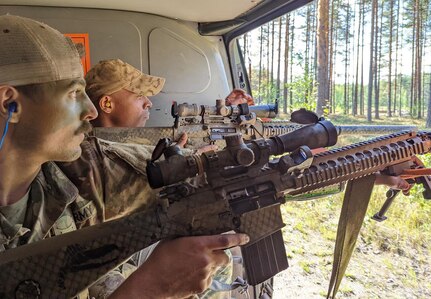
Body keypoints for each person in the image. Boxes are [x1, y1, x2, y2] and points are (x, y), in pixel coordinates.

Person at [0, 14, 249, 299]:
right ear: (10, 104)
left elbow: (167, 174)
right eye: (74, 94)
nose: (91, 111)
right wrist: (148, 289)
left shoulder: (70, 170)